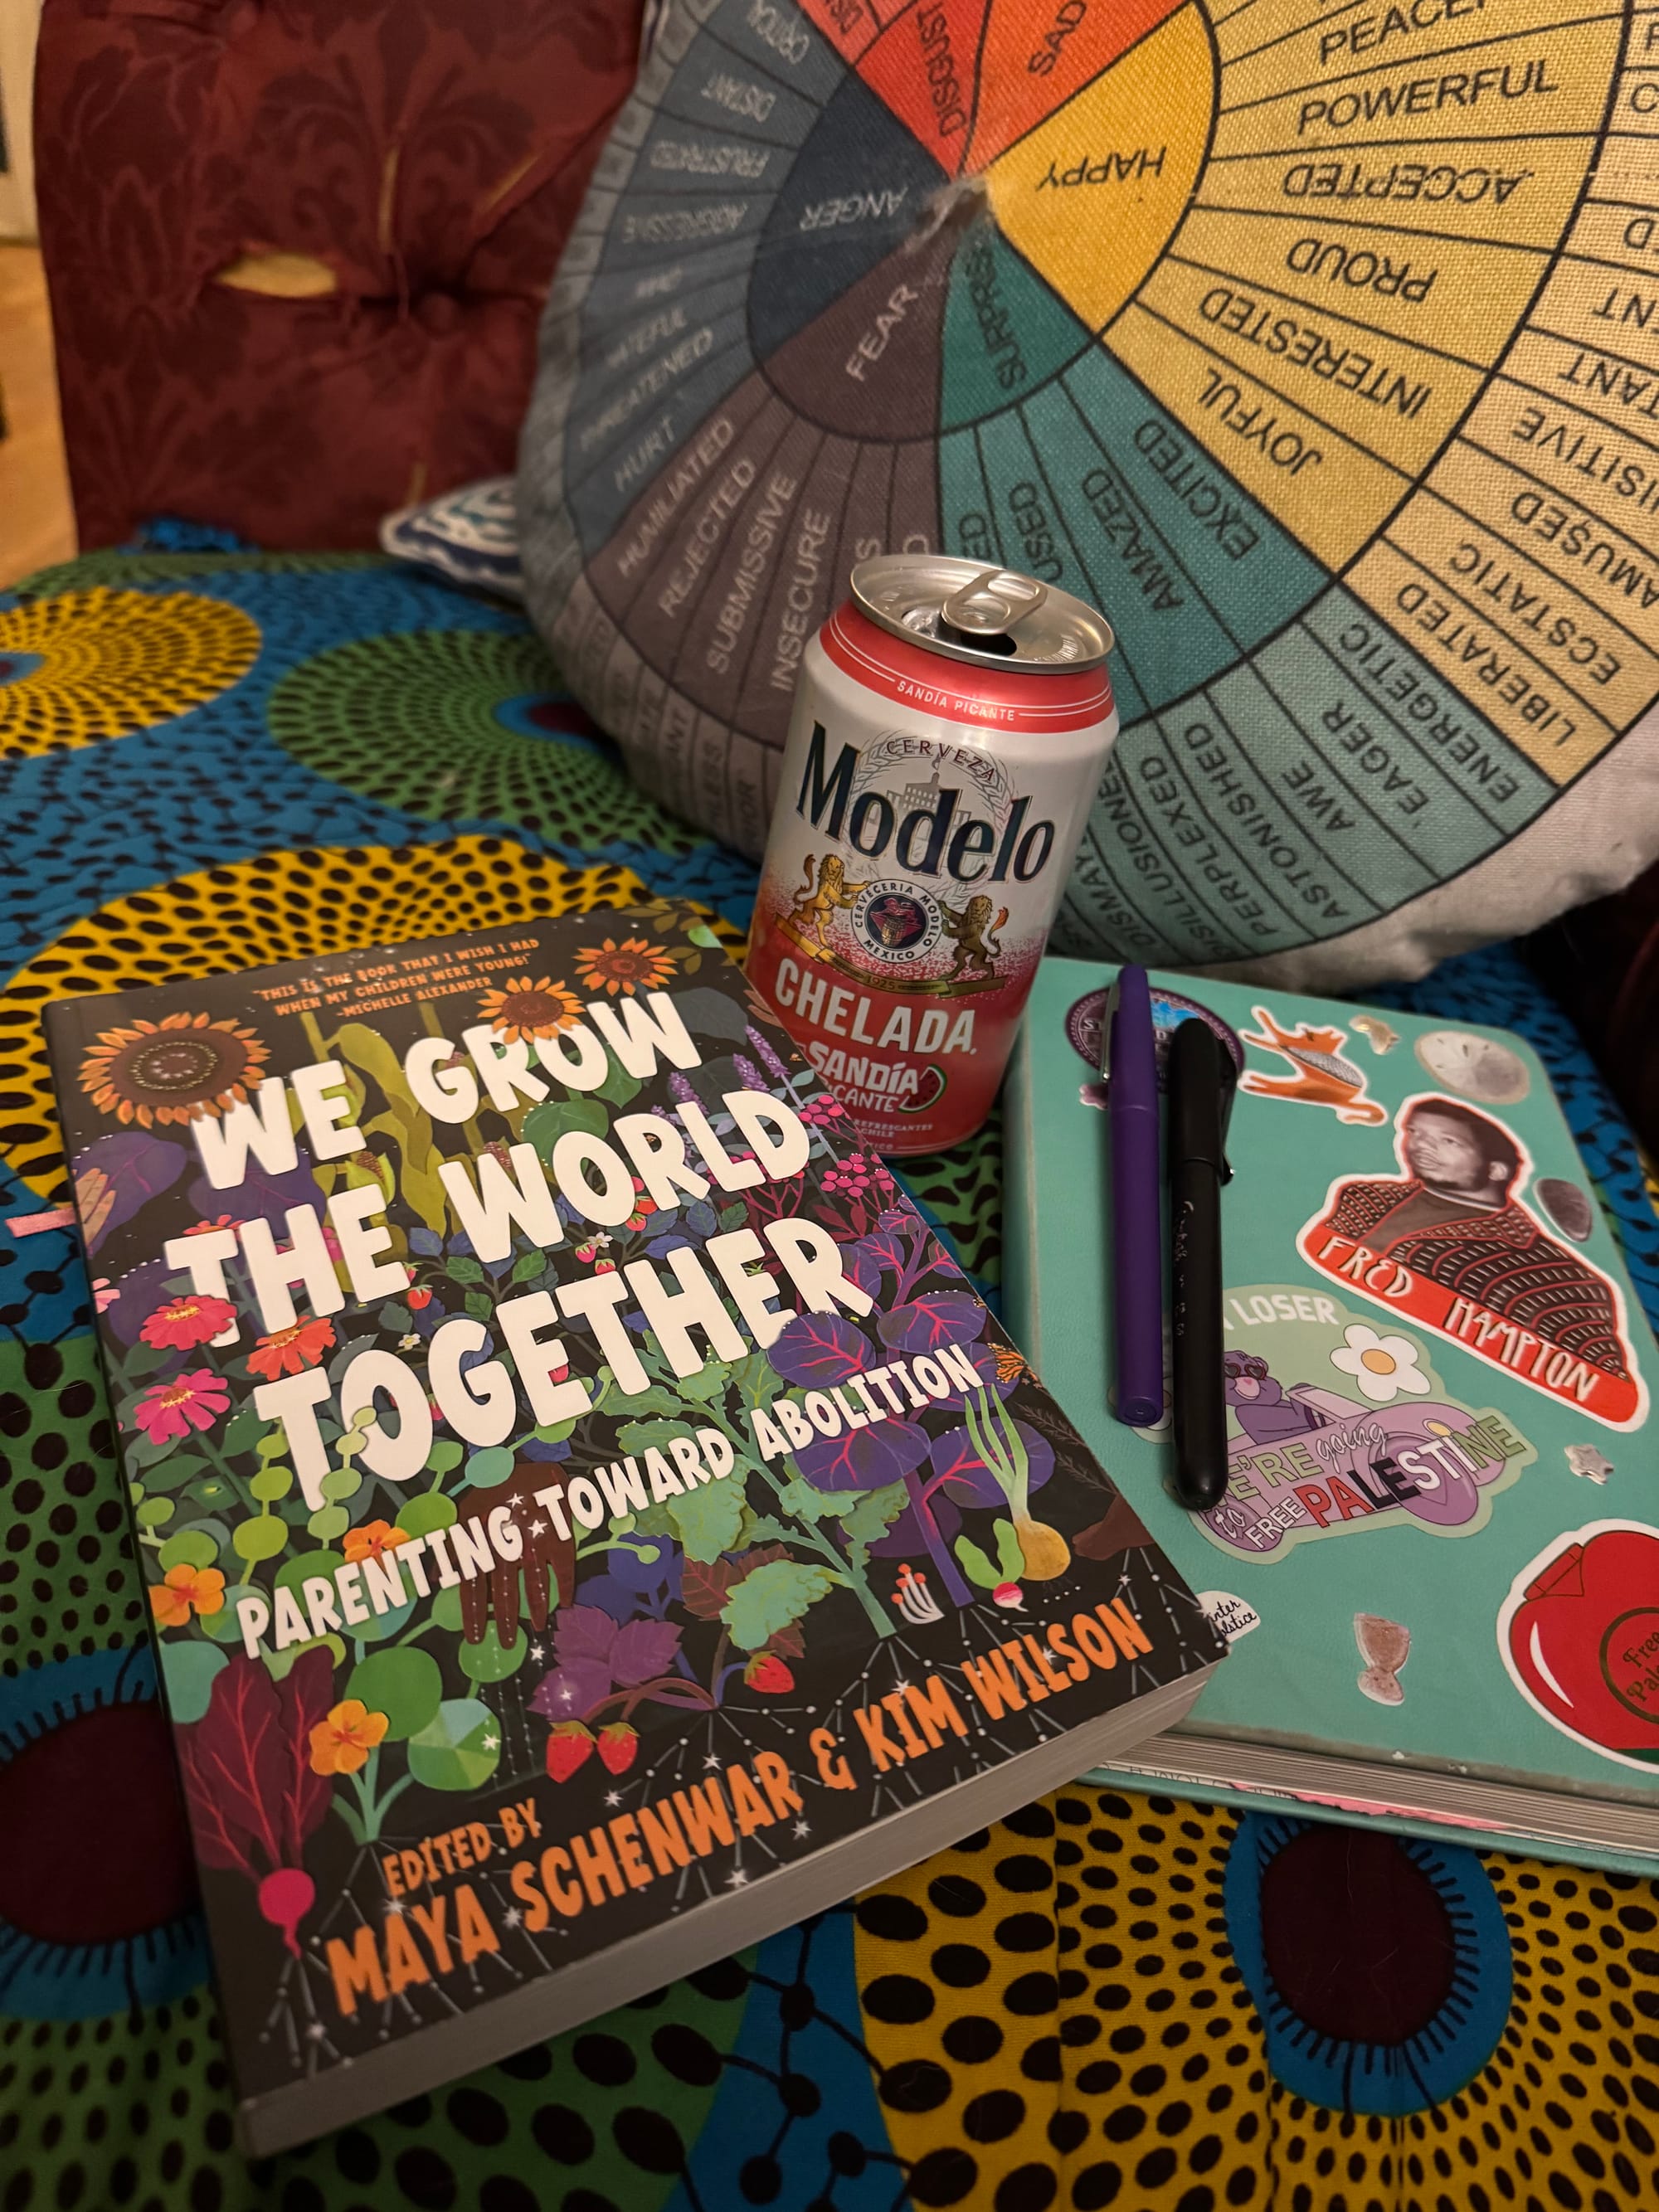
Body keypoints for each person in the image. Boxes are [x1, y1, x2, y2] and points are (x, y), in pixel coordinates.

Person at [1311, 1097, 1632, 1383]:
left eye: (1449, 1141)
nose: (1420, 1146)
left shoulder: (1559, 1276)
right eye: (1415, 1132)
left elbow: (1601, 1384)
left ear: (1496, 1170)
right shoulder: (1363, 1197)